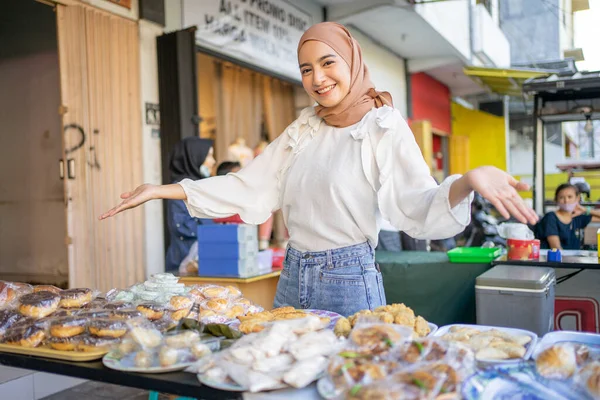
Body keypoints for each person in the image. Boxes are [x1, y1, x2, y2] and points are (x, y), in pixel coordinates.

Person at [100, 22, 537, 316]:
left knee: (350, 387)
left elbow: (416, 204)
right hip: (291, 275)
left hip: (350, 279)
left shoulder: (382, 125)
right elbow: (249, 186)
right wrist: (164, 190)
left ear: (351, 61)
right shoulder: (303, 128)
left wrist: (466, 182)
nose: (318, 77)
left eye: (328, 63)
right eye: (307, 69)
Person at [164, 137, 216, 272]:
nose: (213, 161)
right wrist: (215, 230)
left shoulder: (199, 186)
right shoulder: (179, 189)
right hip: (184, 262)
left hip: (202, 260)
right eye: (209, 156)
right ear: (195, 157)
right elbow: (181, 226)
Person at [536, 183, 600, 250]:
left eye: (570, 197)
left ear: (577, 198)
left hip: (573, 259)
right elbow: (556, 248)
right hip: (557, 259)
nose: (566, 201)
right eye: (561, 197)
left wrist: (586, 210)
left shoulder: (577, 216)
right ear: (556, 200)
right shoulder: (550, 218)